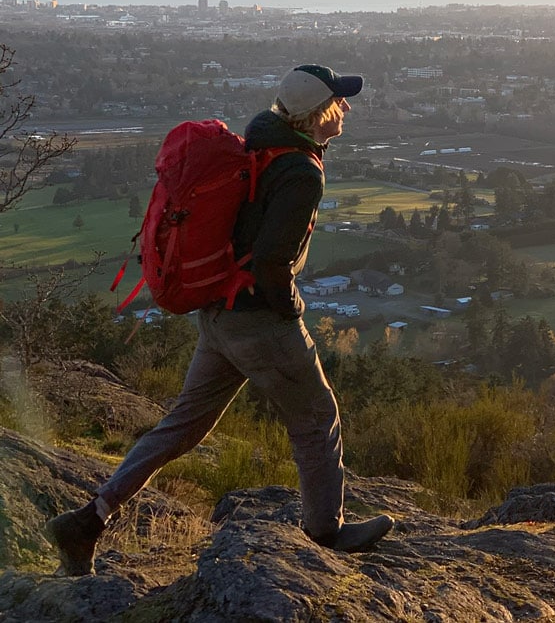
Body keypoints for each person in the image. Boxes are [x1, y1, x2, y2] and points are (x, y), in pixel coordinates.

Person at [47, 64, 392, 576]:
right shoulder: (300, 172)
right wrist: (290, 309)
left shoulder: (259, 138)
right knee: (317, 418)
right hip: (258, 321)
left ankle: (88, 520)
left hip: (218, 314)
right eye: (339, 101)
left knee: (181, 426)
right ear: (318, 113)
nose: (346, 108)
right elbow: (274, 260)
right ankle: (327, 532)